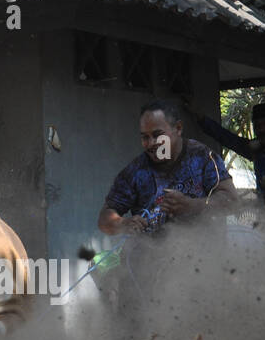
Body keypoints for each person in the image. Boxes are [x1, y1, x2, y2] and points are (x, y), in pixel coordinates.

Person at [97, 98, 235, 237]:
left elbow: (232, 201)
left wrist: (192, 206)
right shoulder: (135, 171)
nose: (151, 143)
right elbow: (105, 218)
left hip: (203, 253)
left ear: (178, 128)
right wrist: (122, 224)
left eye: (158, 135)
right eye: (145, 137)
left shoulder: (202, 156)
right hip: (150, 256)